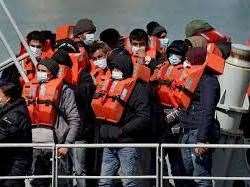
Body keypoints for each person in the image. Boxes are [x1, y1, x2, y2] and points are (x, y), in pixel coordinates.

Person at [22, 59, 81, 187]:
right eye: (39, 70)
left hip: (56, 146)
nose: (40, 73)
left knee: (61, 182)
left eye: (44, 71)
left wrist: (67, 144)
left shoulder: (65, 91)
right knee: (37, 182)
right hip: (34, 146)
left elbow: (74, 120)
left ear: (52, 73)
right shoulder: (31, 88)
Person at [96, 52, 151, 187]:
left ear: (125, 69)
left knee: (129, 182)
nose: (115, 72)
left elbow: (144, 116)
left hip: (127, 144)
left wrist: (123, 131)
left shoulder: (137, 89)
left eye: (118, 69)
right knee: (104, 182)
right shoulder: (107, 86)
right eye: (113, 69)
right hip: (108, 143)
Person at [178, 38, 221, 186]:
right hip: (187, 131)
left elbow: (207, 110)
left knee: (200, 175)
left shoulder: (208, 81)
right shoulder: (193, 78)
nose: (185, 64)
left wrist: (202, 139)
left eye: (188, 61)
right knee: (188, 173)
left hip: (198, 132)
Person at [0, 80, 32, 187]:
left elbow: (2, 133)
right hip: (9, 162)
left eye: (0, 95)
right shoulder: (10, 110)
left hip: (15, 164)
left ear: (8, 98)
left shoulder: (16, 114)